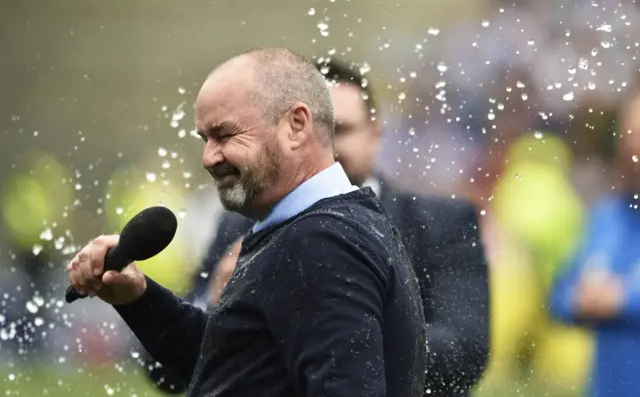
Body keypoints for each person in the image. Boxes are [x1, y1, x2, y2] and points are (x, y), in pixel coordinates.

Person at [66, 48, 427, 397]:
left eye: (225, 135)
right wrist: (139, 298)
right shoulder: (317, 227)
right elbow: (236, 368)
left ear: (297, 125)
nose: (208, 157)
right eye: (204, 139)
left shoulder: (321, 241)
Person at [144, 59, 490, 396]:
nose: (328, 144)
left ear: (376, 135)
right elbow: (167, 374)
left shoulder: (440, 222)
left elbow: (465, 355)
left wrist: (328, 319)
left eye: (341, 130)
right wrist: (215, 304)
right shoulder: (244, 223)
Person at [549, 90, 640, 397]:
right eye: (628, 133)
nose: (633, 146)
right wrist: (579, 298)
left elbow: (622, 298)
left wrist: (623, 301)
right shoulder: (609, 215)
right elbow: (559, 295)